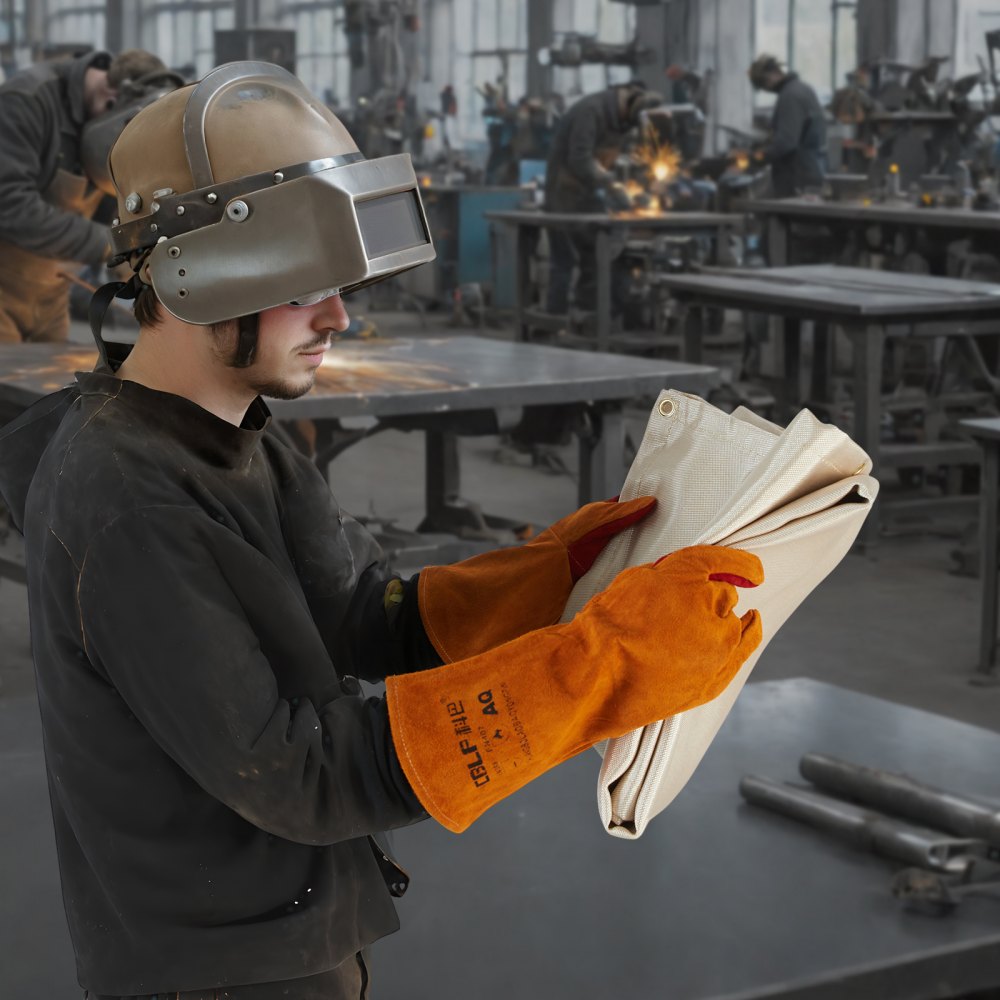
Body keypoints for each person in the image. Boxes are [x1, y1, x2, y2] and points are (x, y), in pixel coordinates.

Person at [0, 62, 764, 1000]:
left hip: (288, 931)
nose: (339, 316)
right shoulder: (126, 503)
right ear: (201, 273)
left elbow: (361, 612)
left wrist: (552, 576)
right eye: (305, 284)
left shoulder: (236, 435)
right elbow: (298, 772)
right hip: (216, 975)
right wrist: (597, 666)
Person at [0, 47, 168, 344]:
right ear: (110, 99)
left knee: (51, 372)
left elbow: (114, 200)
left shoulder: (100, 117)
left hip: (50, 295)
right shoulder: (26, 101)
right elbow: (11, 206)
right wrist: (111, 246)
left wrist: (136, 251)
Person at [542, 80, 661, 316]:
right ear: (627, 103)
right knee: (564, 261)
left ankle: (589, 317)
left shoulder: (620, 118)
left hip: (586, 195)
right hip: (562, 194)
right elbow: (580, 159)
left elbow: (615, 158)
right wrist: (611, 185)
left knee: (596, 255)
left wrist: (636, 186)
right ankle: (553, 322)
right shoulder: (591, 111)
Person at [748, 53, 827, 198]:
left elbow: (786, 142)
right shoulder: (802, 88)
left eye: (764, 83)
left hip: (797, 177)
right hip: (810, 171)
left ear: (773, 74)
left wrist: (758, 157)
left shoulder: (790, 96)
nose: (766, 88)